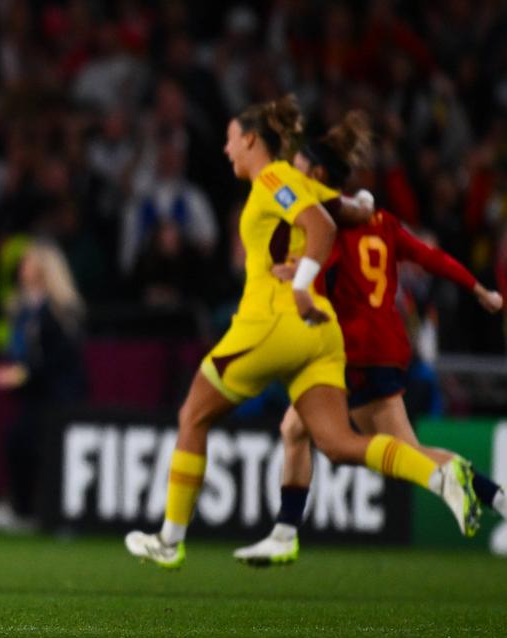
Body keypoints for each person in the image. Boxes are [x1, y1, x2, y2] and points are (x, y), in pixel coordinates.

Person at [125, 95, 481, 569]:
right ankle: (440, 475)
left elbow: (321, 228)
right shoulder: (298, 182)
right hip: (320, 335)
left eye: (231, 140)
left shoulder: (272, 178)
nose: (227, 150)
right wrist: (361, 202)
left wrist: (301, 279)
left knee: (193, 416)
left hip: (274, 322)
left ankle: (169, 540)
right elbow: (348, 211)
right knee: (338, 444)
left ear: (250, 139)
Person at [234, 112, 506, 565]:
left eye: (299, 167)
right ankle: (496, 497)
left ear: (317, 176)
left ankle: (287, 532)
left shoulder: (328, 224)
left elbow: (319, 276)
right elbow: (431, 256)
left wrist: (291, 281)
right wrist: (479, 289)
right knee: (300, 430)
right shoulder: (382, 219)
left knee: (389, 454)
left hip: (352, 349)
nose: (291, 174)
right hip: (387, 345)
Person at [0, 239, 88, 525]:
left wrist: (22, 374)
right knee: (19, 443)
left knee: (41, 448)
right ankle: (25, 510)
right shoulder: (23, 309)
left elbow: (58, 359)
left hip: (59, 394)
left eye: (29, 261)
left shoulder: (60, 309)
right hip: (36, 394)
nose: (23, 267)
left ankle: (44, 512)